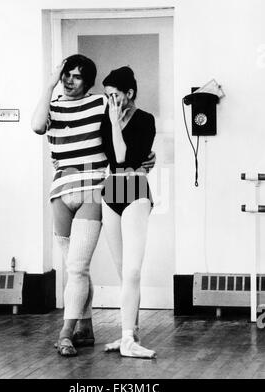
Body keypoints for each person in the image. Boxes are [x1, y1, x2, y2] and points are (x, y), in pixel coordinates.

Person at [31, 54, 156, 357]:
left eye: (76, 76)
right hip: (71, 188)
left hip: (102, 187)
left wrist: (146, 159)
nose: (68, 80)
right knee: (77, 266)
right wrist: (49, 83)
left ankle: (81, 333)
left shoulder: (103, 104)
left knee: (93, 267)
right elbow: (37, 126)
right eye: (65, 75)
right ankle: (89, 326)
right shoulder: (57, 106)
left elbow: (125, 146)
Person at [101, 66, 157, 359]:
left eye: (115, 95)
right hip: (111, 195)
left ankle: (127, 339)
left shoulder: (146, 120)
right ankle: (129, 334)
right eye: (107, 95)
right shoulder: (105, 120)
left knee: (133, 271)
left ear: (129, 94)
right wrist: (111, 122)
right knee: (123, 271)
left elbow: (123, 158)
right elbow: (111, 161)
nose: (110, 101)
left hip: (135, 192)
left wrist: (114, 124)